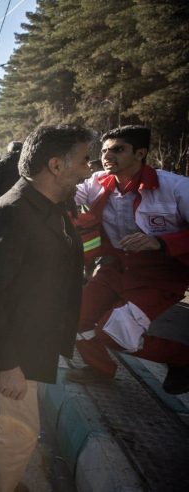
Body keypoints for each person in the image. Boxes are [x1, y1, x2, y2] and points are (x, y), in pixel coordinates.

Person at [0, 125, 93, 491]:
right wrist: (7, 365)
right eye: (84, 160)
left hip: (23, 340)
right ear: (55, 165)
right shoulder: (11, 213)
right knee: (21, 433)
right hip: (13, 347)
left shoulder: (51, 207)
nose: (89, 168)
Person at [68, 125, 189, 394]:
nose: (108, 155)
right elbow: (63, 194)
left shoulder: (177, 187)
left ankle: (182, 358)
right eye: (104, 150)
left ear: (141, 153)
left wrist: (160, 242)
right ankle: (100, 370)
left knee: (115, 332)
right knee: (75, 318)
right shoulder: (96, 182)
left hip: (160, 276)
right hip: (114, 268)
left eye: (118, 149)